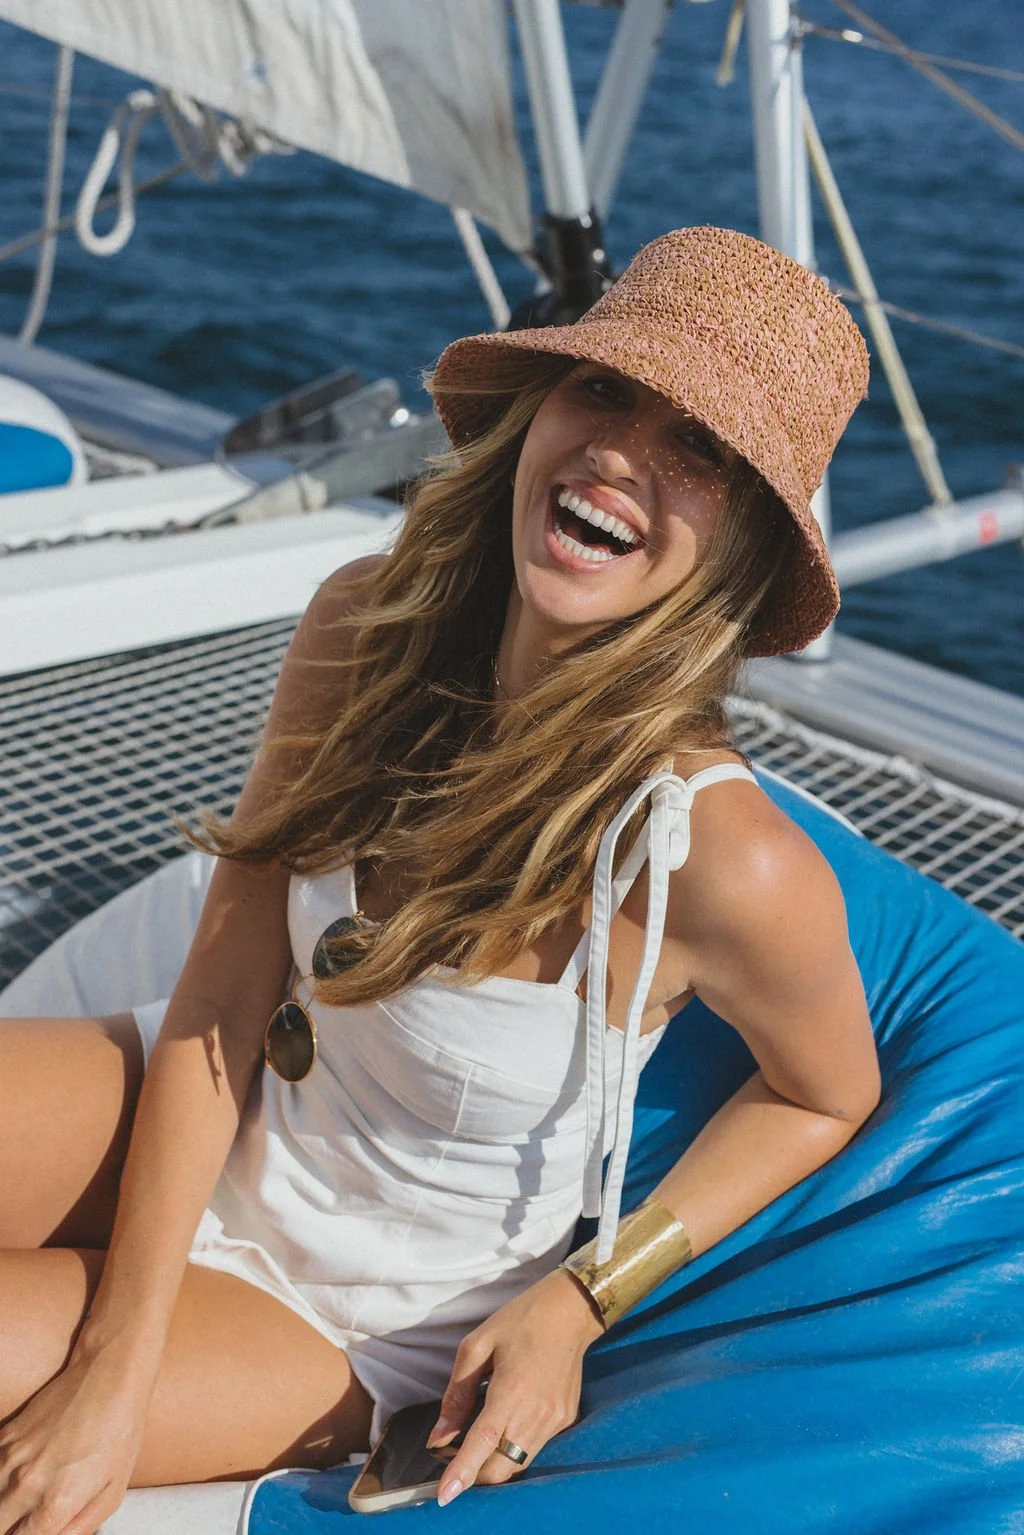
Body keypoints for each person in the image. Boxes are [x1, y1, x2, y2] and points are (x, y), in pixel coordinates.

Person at [0, 226, 881, 1533]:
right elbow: (233, 977)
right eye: (603, 389)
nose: (618, 453)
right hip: (211, 1098)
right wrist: (119, 1353)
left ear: (745, 534)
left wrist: (580, 1297)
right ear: (538, 405)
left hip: (352, 1298)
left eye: (697, 444)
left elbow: (828, 1093)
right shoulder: (367, 626)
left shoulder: (719, 856)